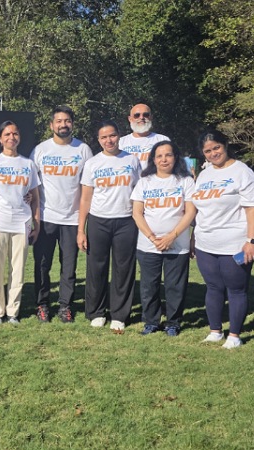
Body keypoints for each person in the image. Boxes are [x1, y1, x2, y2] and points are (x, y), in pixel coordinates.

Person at [191, 130, 254, 349]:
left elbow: (253, 208)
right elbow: (198, 209)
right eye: (208, 151)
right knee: (213, 287)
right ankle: (215, 331)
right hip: (205, 243)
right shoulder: (204, 174)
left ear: (225, 145)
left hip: (234, 243)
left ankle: (234, 335)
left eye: (216, 148)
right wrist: (193, 238)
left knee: (236, 289)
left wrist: (251, 241)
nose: (213, 153)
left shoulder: (242, 172)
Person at [29, 106, 92, 323]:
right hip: (46, 217)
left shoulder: (83, 150)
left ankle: (65, 306)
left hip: (72, 219)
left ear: (72, 124)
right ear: (51, 125)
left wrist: (82, 225)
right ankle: (42, 305)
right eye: (59, 121)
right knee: (42, 265)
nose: (63, 124)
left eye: (67, 121)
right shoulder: (40, 150)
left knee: (69, 267)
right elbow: (31, 183)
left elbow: (88, 187)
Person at [78, 121, 141, 332]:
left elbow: (139, 191)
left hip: (126, 221)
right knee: (96, 268)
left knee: (124, 269)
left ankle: (119, 314)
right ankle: (96, 312)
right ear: (98, 140)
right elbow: (85, 199)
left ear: (119, 136)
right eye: (104, 137)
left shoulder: (132, 160)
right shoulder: (93, 163)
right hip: (99, 221)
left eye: (112, 135)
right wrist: (81, 230)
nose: (109, 140)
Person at [131, 141, 196, 336]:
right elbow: (137, 213)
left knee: (175, 286)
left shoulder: (185, 181)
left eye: (168, 155)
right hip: (148, 244)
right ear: (153, 159)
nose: (164, 159)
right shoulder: (144, 182)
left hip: (178, 244)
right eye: (159, 156)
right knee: (149, 286)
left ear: (175, 157)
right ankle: (151, 321)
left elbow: (190, 211)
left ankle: (173, 323)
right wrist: (153, 238)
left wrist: (171, 236)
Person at [0, 120, 40, 325]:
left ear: (19, 137)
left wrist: (36, 224)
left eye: (15, 134)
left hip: (22, 224)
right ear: (0, 139)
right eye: (7, 134)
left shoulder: (28, 164)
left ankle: (13, 312)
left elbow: (35, 198)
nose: (11, 137)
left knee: (18, 271)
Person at [118, 103, 169, 171]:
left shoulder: (162, 140)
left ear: (151, 117)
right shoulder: (120, 142)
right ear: (130, 119)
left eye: (146, 115)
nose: (141, 118)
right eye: (137, 115)